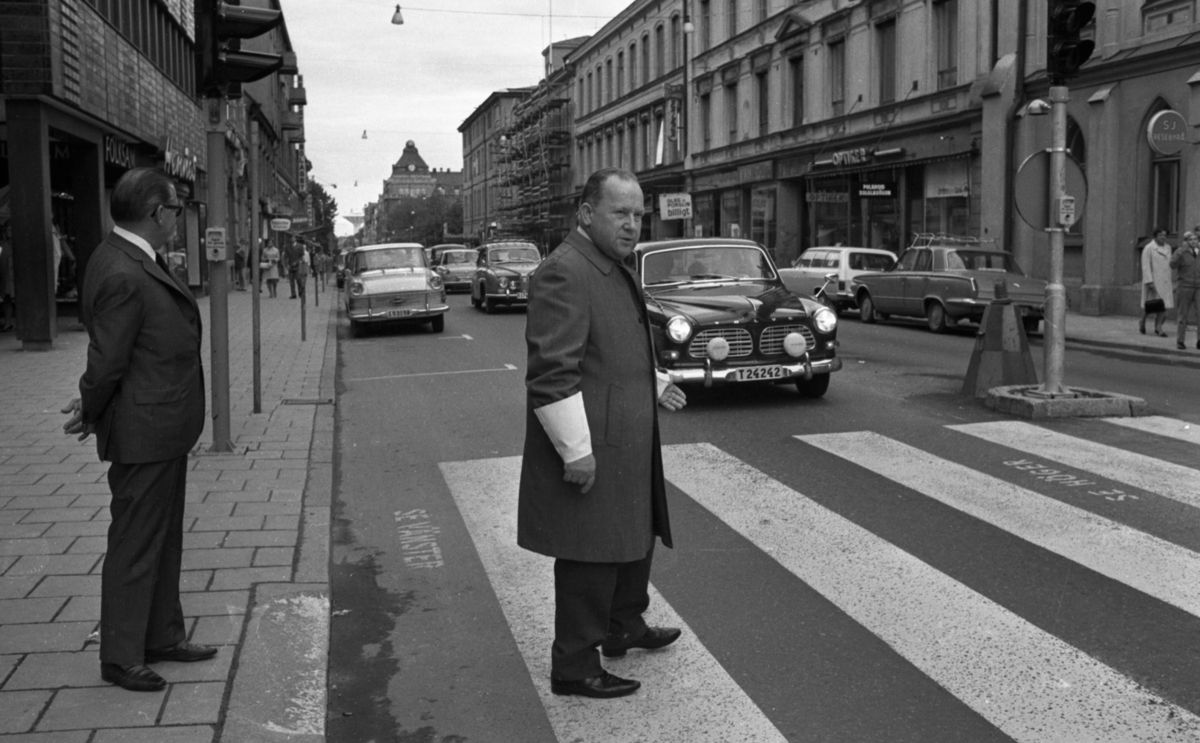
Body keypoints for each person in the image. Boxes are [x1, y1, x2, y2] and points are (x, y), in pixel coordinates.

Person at [519, 168, 687, 700]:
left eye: (639, 214)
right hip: (593, 440)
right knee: (589, 552)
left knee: (633, 533)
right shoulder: (566, 271)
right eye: (621, 213)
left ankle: (623, 626)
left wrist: (655, 384)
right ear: (588, 214)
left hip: (624, 433)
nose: (633, 224)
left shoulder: (612, 264)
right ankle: (573, 666)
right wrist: (575, 451)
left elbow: (611, 345)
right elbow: (553, 371)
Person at [60, 167, 216, 693]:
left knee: (163, 537)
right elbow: (107, 359)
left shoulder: (129, 256)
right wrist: (90, 406)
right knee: (135, 541)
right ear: (156, 213)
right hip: (145, 427)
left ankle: (162, 635)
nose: (177, 218)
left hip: (161, 423)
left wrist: (94, 403)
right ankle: (121, 656)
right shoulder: (124, 269)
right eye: (175, 210)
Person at [1140, 227, 1173, 337]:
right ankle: (1142, 320)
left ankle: (1158, 327)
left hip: (1165, 281)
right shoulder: (1149, 248)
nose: (1163, 237)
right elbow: (1145, 266)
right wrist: (1149, 281)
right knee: (1151, 306)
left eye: (1165, 235)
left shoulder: (1168, 247)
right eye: (1160, 235)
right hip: (1154, 281)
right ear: (1155, 236)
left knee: (1163, 306)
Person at [1171, 231, 1200, 350]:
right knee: (1182, 315)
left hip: (1198, 287)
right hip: (1184, 287)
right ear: (1186, 242)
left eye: (1195, 239)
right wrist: (1181, 252)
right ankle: (1180, 341)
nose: (1193, 242)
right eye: (1190, 240)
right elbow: (1172, 264)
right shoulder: (1181, 252)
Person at [0, 222, 14, 332]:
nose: (8, 232)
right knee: (7, 299)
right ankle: (8, 322)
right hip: (6, 275)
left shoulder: (18, 243)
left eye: (10, 230)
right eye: (7, 230)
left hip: (15, 275)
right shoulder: (3, 244)